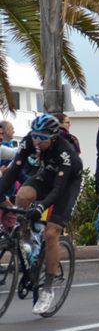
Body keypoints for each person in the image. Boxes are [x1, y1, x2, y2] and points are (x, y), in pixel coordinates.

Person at [0, 114, 82, 314]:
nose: (38, 141)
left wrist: (41, 207)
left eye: (43, 137)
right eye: (36, 136)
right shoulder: (30, 141)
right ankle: (27, 238)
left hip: (67, 183)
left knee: (52, 233)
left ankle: (48, 289)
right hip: (48, 175)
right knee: (22, 195)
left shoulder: (65, 152)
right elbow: (12, 173)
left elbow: (58, 190)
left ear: (54, 137)